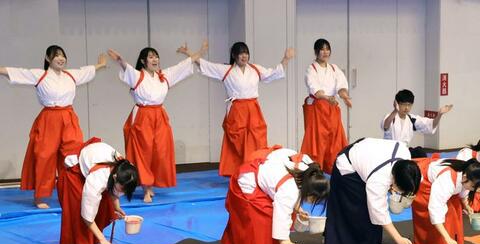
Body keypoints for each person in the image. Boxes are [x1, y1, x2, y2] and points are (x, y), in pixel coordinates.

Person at [0, 46, 107, 208]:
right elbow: (16, 72)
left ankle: (71, 193)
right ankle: (41, 196)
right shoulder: (40, 75)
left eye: (62, 55)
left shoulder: (71, 75)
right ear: (48, 58)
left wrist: (100, 65)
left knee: (72, 157)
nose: (60, 58)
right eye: (56, 56)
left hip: (69, 118)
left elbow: (86, 71)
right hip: (49, 119)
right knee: (45, 157)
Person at [107, 41, 207, 203]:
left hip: (160, 116)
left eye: (156, 57)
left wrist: (199, 52)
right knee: (143, 153)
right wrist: (120, 60)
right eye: (151, 57)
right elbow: (127, 68)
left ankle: (152, 183)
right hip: (143, 117)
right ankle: (146, 188)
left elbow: (183, 65)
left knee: (160, 152)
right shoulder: (138, 76)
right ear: (143, 61)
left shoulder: (164, 75)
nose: (155, 60)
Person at [217, 145, 329, 244]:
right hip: (247, 183)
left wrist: (297, 208)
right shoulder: (289, 191)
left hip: (255, 172)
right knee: (267, 224)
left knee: (237, 222)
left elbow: (284, 191)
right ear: (309, 192)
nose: (312, 203)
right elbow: (280, 232)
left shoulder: (308, 168)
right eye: (314, 200)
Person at [199, 42, 294, 176]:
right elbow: (206, 66)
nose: (244, 56)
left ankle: (255, 169)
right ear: (234, 55)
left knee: (257, 138)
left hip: (253, 109)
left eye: (246, 53)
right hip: (237, 110)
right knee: (238, 141)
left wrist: (286, 59)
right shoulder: (227, 70)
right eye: (240, 53)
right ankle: (237, 171)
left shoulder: (255, 69)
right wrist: (192, 54)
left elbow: (273, 73)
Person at [324, 137, 421, 244]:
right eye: (399, 190)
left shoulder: (405, 160)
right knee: (364, 211)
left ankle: (336, 241)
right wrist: (398, 238)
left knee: (363, 209)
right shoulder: (379, 180)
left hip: (362, 155)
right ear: (395, 181)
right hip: (347, 167)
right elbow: (378, 211)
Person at [58, 137, 139, 244]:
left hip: (91, 166)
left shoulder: (126, 169)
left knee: (104, 210)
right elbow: (87, 217)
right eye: (122, 189)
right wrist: (103, 240)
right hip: (74, 174)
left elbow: (116, 189)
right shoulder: (98, 178)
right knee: (80, 214)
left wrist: (117, 206)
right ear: (115, 177)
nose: (123, 192)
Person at [411, 157, 480, 244]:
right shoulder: (447, 180)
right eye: (474, 187)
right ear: (465, 177)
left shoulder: (468, 172)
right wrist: (447, 238)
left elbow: (464, 190)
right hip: (423, 181)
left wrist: (466, 206)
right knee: (430, 215)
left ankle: (449, 242)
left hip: (439, 180)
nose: (474, 190)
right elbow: (435, 210)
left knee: (455, 209)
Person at [300, 38, 351, 173]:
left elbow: (341, 86)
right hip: (318, 109)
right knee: (318, 142)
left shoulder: (334, 68)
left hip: (332, 109)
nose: (325, 52)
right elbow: (316, 91)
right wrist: (327, 98)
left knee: (334, 141)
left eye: (327, 49)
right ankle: (315, 173)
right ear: (316, 52)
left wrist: (345, 96)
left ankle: (333, 172)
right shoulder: (311, 69)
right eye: (322, 49)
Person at [381, 88, 452, 158]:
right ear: (397, 103)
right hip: (390, 152)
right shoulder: (391, 116)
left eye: (409, 105)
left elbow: (431, 125)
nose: (406, 108)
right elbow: (385, 126)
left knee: (419, 151)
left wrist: (439, 115)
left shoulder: (411, 119)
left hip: (403, 151)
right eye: (403, 104)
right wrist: (395, 111)